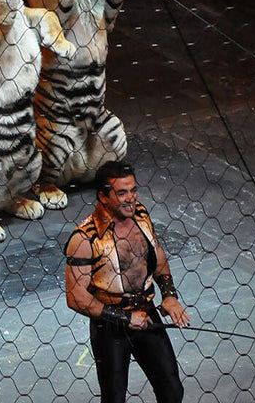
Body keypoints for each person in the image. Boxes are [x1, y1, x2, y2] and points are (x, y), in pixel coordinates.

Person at [64, 160, 190, 403]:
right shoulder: (84, 238)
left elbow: (157, 255)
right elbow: (75, 297)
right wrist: (125, 318)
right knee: (114, 398)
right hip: (110, 326)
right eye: (122, 193)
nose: (131, 198)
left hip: (146, 312)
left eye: (133, 190)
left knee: (172, 391)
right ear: (103, 196)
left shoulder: (140, 215)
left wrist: (169, 296)